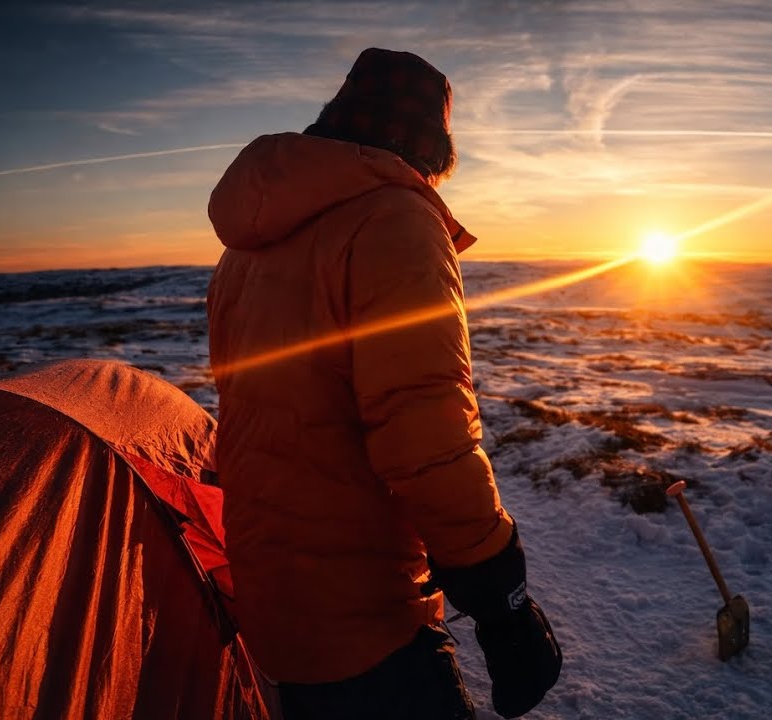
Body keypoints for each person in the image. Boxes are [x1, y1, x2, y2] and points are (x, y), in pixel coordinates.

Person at [206, 48, 561, 719]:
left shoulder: (248, 244)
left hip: (270, 590)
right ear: (431, 144)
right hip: (362, 613)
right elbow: (426, 439)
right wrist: (502, 600)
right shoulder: (395, 218)